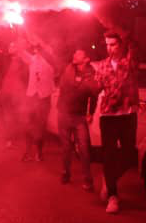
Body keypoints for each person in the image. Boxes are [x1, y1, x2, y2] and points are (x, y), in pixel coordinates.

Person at [92, 30, 139, 214]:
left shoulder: (129, 63)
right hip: (108, 116)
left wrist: (119, 29)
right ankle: (113, 196)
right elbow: (96, 89)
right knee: (109, 156)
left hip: (127, 114)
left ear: (120, 45)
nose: (110, 48)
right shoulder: (102, 66)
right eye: (107, 45)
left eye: (113, 44)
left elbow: (134, 45)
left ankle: (109, 178)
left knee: (128, 155)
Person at [57, 49, 97, 190]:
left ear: (86, 59)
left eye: (78, 54)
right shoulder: (68, 69)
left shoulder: (91, 74)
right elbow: (62, 87)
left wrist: (90, 112)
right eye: (74, 53)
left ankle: (87, 179)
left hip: (79, 117)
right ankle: (66, 173)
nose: (74, 55)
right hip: (64, 114)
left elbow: (94, 95)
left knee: (84, 149)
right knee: (66, 147)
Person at [20, 34, 56, 162]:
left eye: (38, 48)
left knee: (41, 126)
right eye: (35, 49)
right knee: (28, 125)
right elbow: (21, 52)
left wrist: (38, 43)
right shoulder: (33, 59)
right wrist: (19, 35)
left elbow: (46, 52)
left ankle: (39, 152)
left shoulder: (50, 60)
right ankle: (28, 151)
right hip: (31, 96)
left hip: (44, 97)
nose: (36, 50)